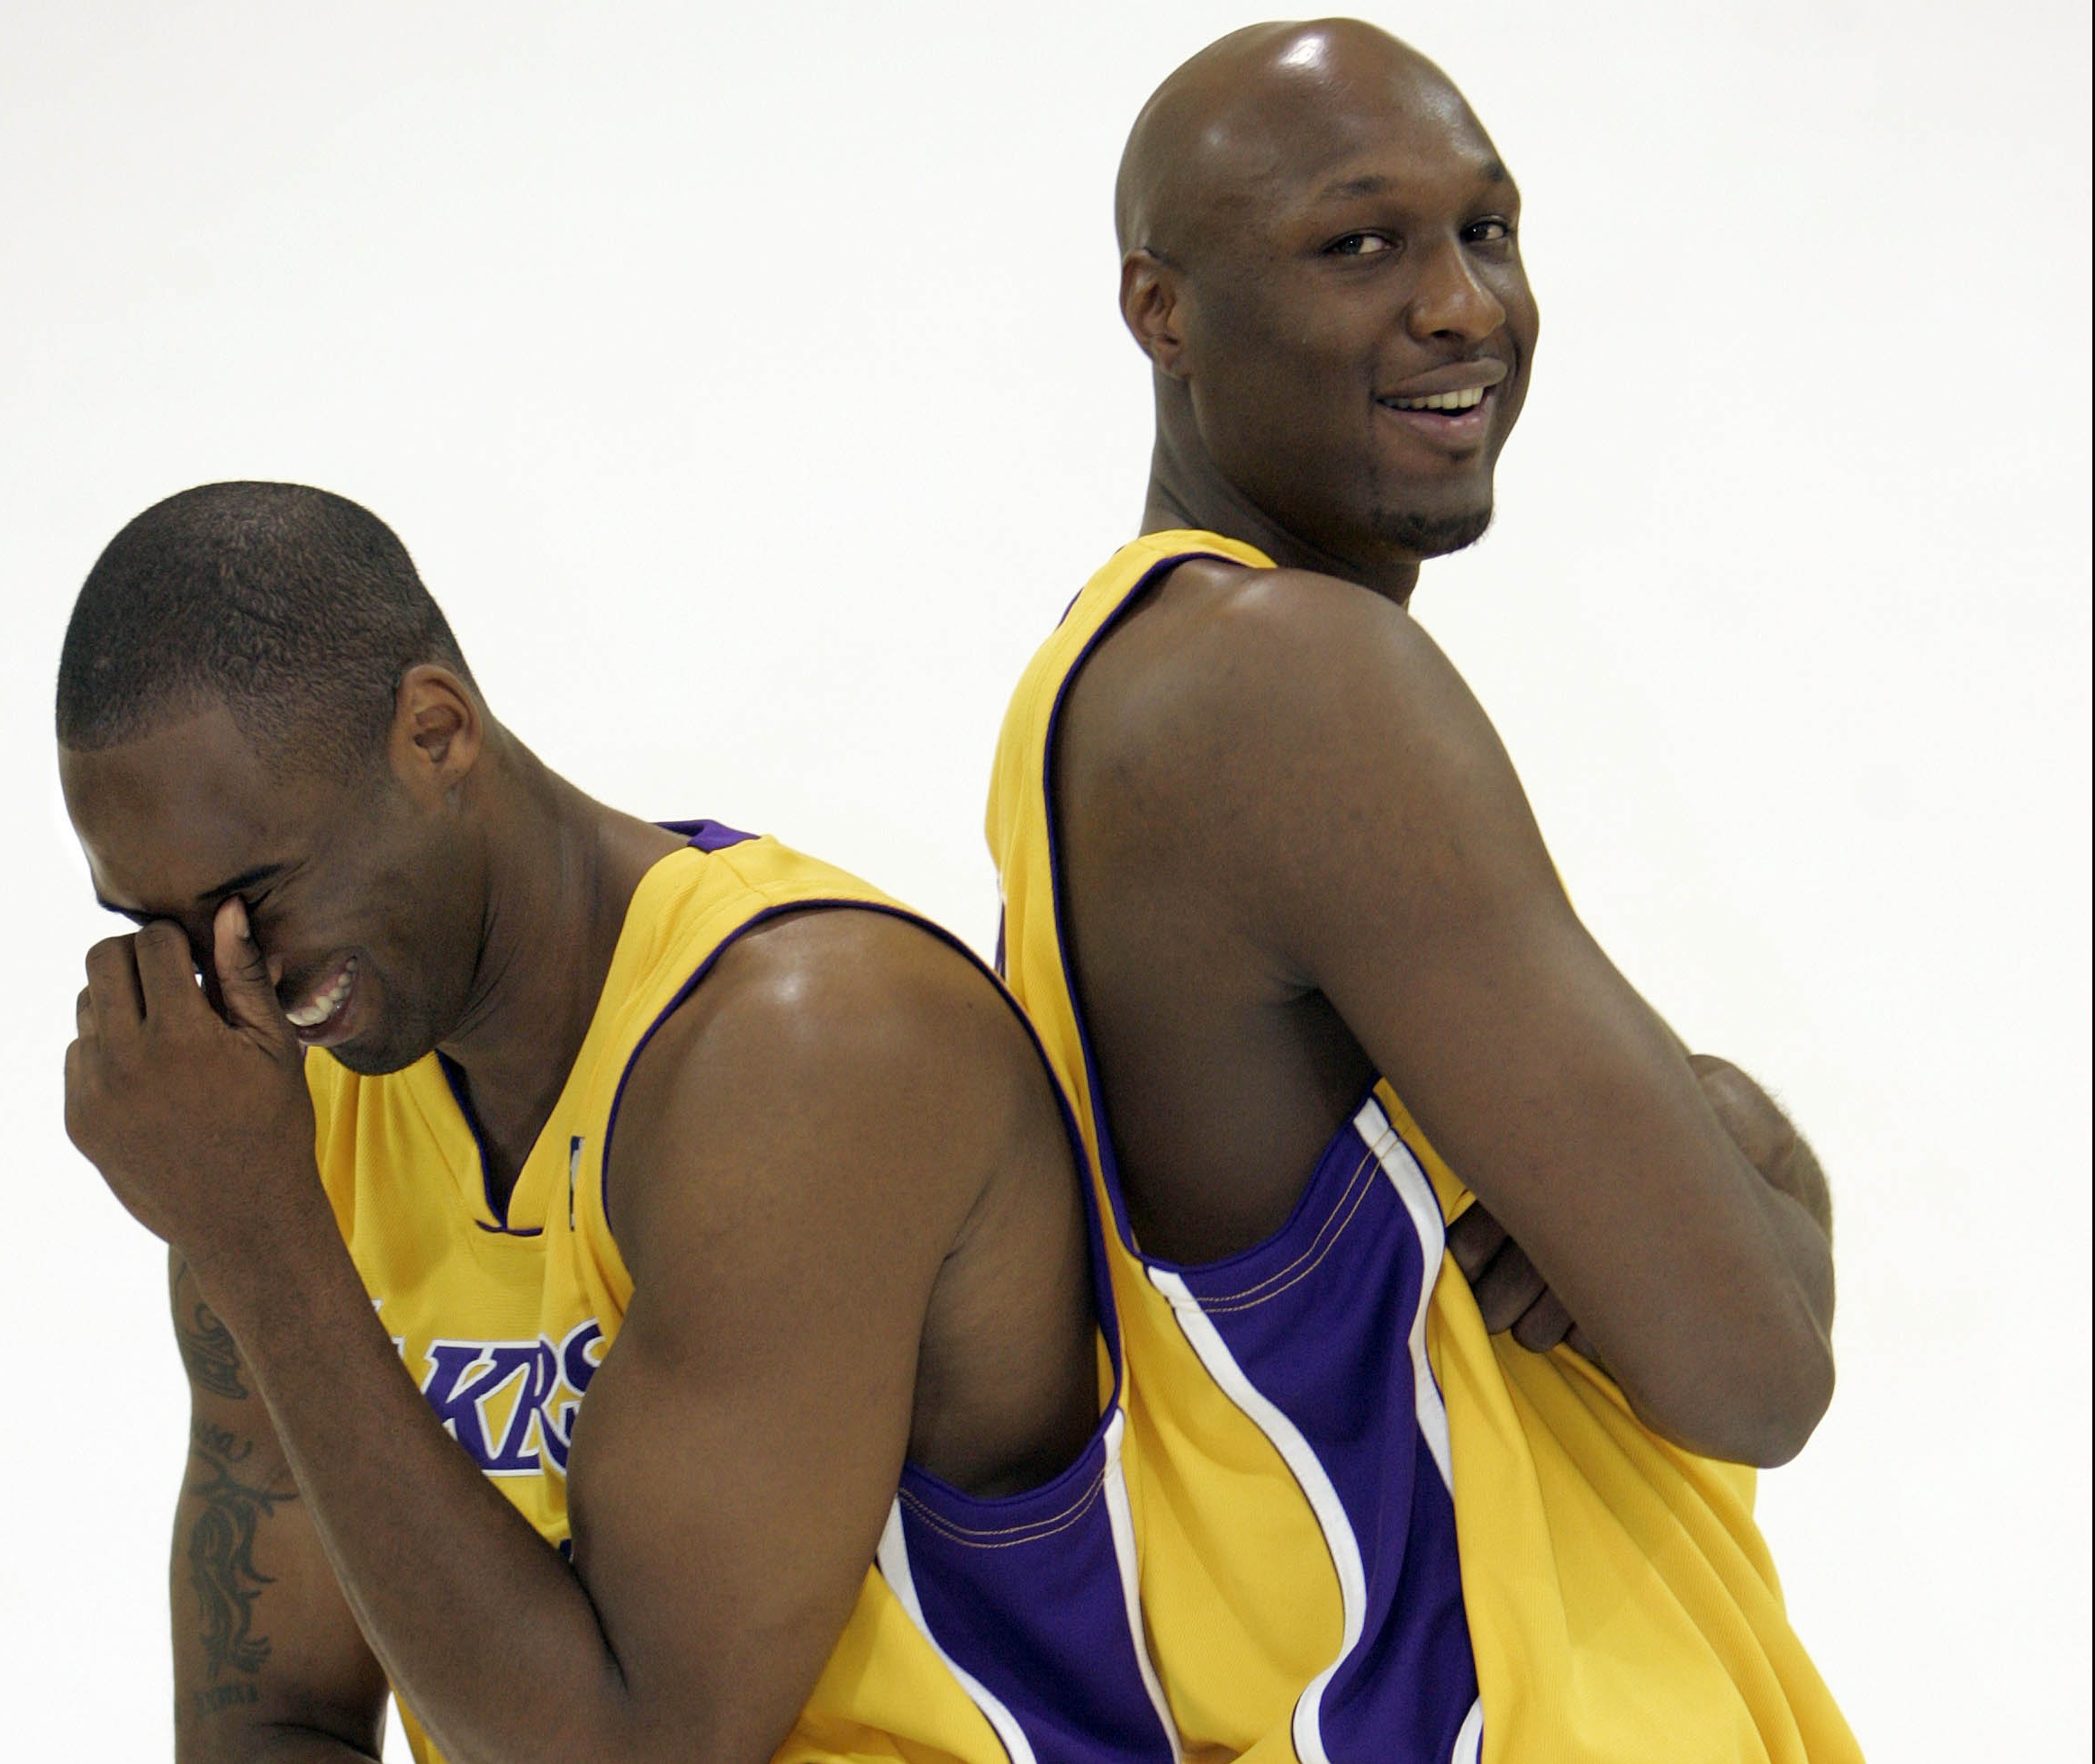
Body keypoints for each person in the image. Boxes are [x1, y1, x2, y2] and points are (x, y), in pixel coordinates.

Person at [986, 21, 1861, 1764]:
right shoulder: (1289, 677)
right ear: (1160, 309)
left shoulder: (1112, 673)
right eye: (1356, 242)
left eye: (1489, 228)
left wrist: (1715, 1165)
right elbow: (1755, 1367)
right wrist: (1750, 1136)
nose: (1464, 304)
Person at [59, 482, 1185, 1764]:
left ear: (434, 733)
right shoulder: (286, 1097)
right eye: (148, 931)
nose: (219, 978)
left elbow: (645, 1748)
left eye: (252, 895)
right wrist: (253, 1218)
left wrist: (258, 1238)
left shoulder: (816, 1048)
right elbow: (277, 1715)